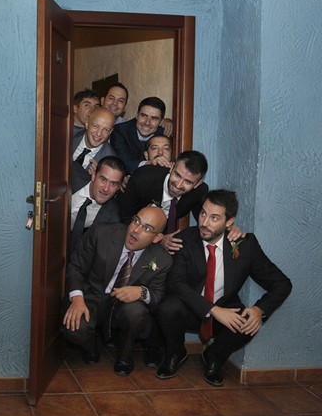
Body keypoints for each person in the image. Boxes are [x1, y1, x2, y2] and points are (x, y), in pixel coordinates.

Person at [154, 190, 292, 386]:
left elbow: (282, 284)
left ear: (229, 222)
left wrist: (259, 310)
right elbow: (176, 284)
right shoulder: (186, 238)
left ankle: (214, 357)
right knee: (168, 307)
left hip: (226, 309)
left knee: (249, 320)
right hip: (191, 308)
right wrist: (213, 310)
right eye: (203, 213)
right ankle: (175, 353)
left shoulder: (245, 245)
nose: (204, 222)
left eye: (214, 218)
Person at [63, 206, 173, 376]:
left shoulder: (162, 259)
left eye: (147, 228)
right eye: (136, 221)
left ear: (157, 237)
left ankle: (125, 356)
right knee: (75, 327)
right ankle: (90, 346)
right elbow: (76, 267)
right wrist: (77, 300)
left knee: (136, 313)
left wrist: (141, 292)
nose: (136, 230)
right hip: (92, 296)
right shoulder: (101, 233)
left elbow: (157, 296)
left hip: (124, 305)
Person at [69, 156, 124, 253]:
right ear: (94, 176)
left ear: (118, 187)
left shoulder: (112, 219)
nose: (106, 188)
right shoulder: (71, 173)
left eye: (113, 184)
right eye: (103, 179)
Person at [110, 96, 167, 174]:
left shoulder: (165, 135)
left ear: (161, 122)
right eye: (143, 116)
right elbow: (123, 162)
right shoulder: (120, 131)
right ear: (137, 115)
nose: (147, 122)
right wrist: (148, 163)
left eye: (154, 118)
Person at [71, 107, 117, 192]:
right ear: (87, 123)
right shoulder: (69, 136)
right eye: (95, 126)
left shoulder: (110, 161)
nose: (99, 134)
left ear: (110, 132)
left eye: (106, 130)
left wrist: (96, 180)